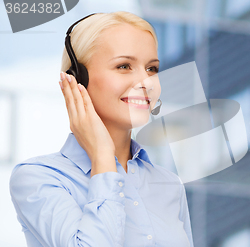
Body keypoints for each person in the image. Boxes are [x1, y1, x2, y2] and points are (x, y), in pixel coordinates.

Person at [9, 11, 194, 247]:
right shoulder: (39, 178)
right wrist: (103, 158)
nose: (145, 82)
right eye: (124, 66)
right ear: (77, 79)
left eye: (151, 69)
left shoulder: (169, 185)